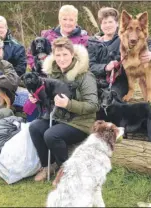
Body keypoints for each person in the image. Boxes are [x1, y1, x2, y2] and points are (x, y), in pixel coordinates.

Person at [29, 37, 99, 181]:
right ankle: (48, 165)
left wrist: (69, 104)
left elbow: (93, 105)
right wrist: (37, 98)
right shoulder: (51, 74)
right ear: (53, 56)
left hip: (81, 122)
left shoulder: (85, 76)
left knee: (51, 134)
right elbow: (48, 98)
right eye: (58, 55)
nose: (61, 59)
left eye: (65, 54)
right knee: (35, 127)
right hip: (59, 117)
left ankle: (66, 171)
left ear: (72, 54)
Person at [88, 7, 151, 99]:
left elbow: (150, 42)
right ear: (100, 25)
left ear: (117, 23)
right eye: (104, 22)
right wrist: (105, 67)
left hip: (117, 82)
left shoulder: (123, 39)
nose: (107, 25)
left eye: (110, 22)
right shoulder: (93, 42)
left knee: (111, 99)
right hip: (98, 80)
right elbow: (91, 66)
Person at [27, 4, 89, 70]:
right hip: (47, 76)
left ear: (76, 21)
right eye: (64, 19)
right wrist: (36, 67)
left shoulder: (84, 39)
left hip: (74, 76)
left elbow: (88, 62)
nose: (67, 23)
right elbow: (30, 53)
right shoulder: (47, 36)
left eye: (71, 20)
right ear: (59, 20)